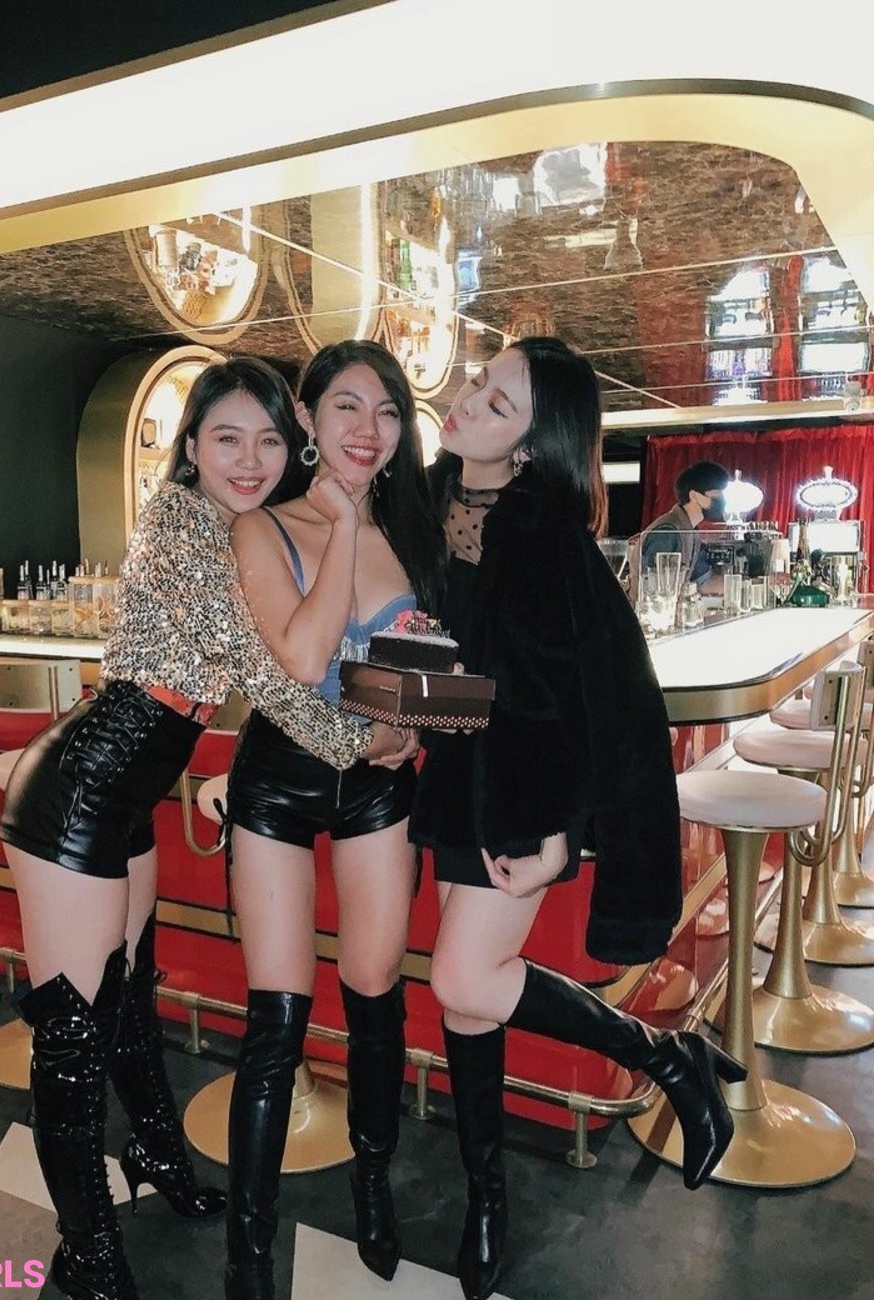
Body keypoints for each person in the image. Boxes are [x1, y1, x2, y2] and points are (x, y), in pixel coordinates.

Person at [0, 356, 408, 1300]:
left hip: (127, 793)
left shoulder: (238, 530)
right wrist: (373, 740)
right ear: (190, 448)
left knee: (130, 998)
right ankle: (86, 1254)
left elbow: (317, 662)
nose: (250, 459)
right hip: (80, 792)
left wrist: (415, 713)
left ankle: (158, 1156)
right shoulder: (186, 525)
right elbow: (275, 675)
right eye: (227, 438)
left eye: (268, 441)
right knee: (74, 1034)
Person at [409, 339, 747, 1300]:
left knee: (463, 975)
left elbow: (606, 693)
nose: (470, 399)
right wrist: (397, 701)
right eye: (480, 382)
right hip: (450, 784)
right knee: (467, 1001)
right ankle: (486, 1197)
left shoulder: (547, 535)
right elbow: (418, 661)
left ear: (532, 444)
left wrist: (565, 831)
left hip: (518, 793)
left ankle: (662, 1056)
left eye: (499, 401)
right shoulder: (422, 505)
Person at [223, 339, 446, 1299]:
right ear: (308, 418)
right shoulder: (260, 526)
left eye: (388, 411)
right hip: (278, 783)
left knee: (373, 993)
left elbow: (437, 681)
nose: (369, 428)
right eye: (347, 406)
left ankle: (372, 1184)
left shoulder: (418, 532)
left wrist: (413, 723)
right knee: (277, 1018)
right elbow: (304, 655)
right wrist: (345, 524)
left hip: (378, 790)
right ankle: (248, 1250)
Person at [637, 459, 731, 592]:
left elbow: (703, 582)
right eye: (718, 493)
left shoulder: (691, 532)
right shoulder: (667, 532)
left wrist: (744, 583)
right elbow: (653, 589)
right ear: (694, 496)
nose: (722, 499)